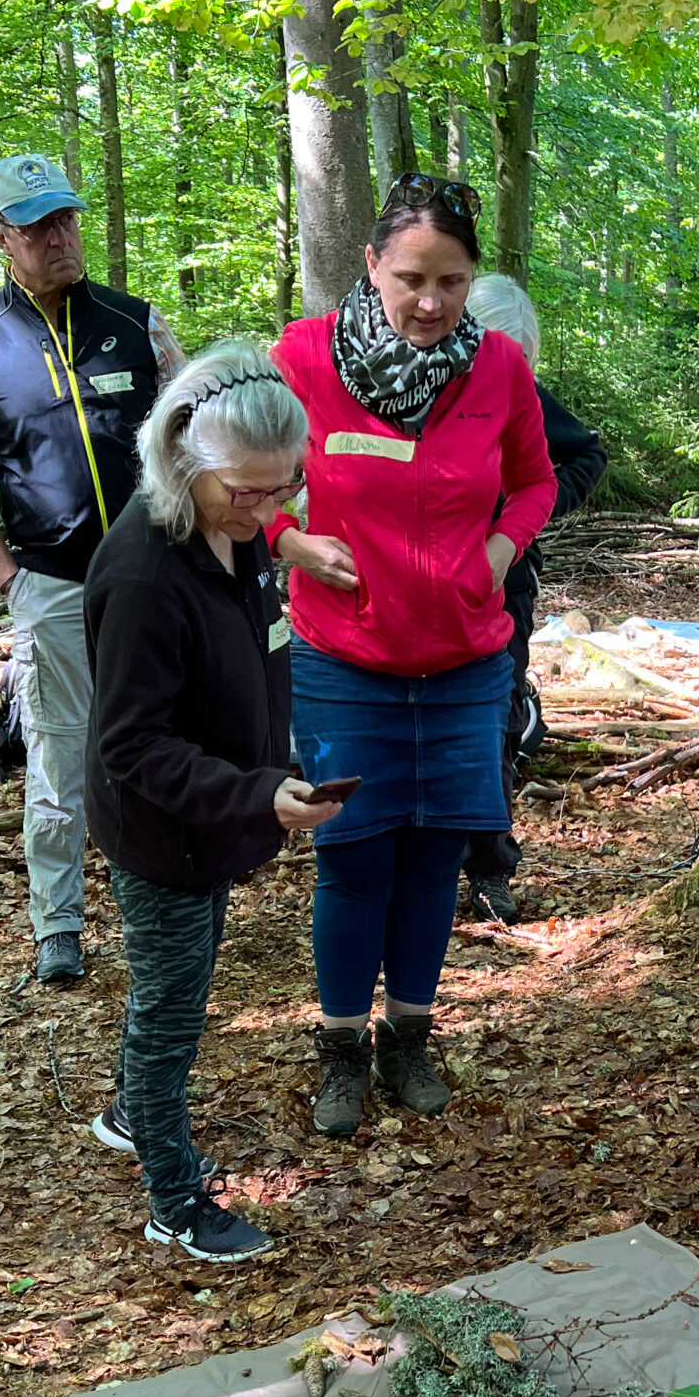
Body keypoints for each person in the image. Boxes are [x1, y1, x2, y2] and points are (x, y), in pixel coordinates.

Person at [269, 177, 557, 1138]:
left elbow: (534, 480)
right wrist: (288, 540)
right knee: (352, 860)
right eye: (410, 279)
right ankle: (342, 1051)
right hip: (345, 655)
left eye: (452, 281)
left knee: (436, 858)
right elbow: (224, 472)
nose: (431, 302)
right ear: (370, 268)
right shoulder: (303, 358)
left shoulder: (501, 366)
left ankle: (410, 1041)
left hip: (466, 660)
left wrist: (501, 551)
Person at [84, 341, 336, 1261]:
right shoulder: (145, 578)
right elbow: (130, 745)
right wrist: (259, 794)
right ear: (182, 458)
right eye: (250, 491)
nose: (270, 512)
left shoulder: (233, 533)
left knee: (172, 990)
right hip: (167, 836)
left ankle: (125, 1113)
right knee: (171, 1011)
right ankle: (175, 1200)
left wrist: (278, 532)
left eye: (286, 490)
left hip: (220, 820)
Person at [0, 154, 184, 987]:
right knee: (59, 752)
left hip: (153, 577)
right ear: (3, 236)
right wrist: (5, 572)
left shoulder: (135, 323)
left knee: (161, 737)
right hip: (50, 581)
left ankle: (169, 889)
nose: (59, 238)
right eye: (38, 226)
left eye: (67, 220)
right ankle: (59, 923)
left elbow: (192, 438)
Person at [460, 272, 607, 922]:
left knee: (490, 715)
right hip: (413, 583)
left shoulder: (523, 391)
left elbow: (585, 457)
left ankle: (490, 871)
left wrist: (526, 513)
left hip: (504, 584)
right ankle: (416, 867)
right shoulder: (413, 383)